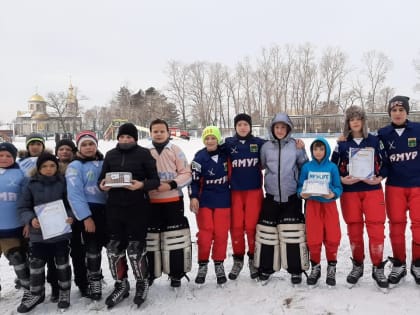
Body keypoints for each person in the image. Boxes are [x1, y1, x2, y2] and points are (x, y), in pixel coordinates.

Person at [98, 122, 159, 308]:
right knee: (114, 249)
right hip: (114, 208)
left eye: (129, 137)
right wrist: (102, 185)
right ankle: (121, 284)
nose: (125, 140)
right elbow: (102, 178)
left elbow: (155, 180)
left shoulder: (143, 154)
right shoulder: (110, 154)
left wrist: (141, 185)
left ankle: (142, 282)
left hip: (137, 207)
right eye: (122, 137)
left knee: (135, 249)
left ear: (135, 138)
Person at [331, 106, 388, 288]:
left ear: (363, 121)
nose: (355, 122)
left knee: (376, 229)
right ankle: (358, 265)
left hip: (372, 190)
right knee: (354, 230)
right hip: (350, 192)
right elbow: (331, 167)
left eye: (358, 118)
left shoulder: (374, 140)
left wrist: (380, 177)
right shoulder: (342, 143)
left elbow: (386, 162)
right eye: (351, 119)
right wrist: (341, 180)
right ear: (347, 123)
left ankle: (378, 266)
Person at [254, 113, 309, 284]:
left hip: (292, 197)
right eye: (277, 127)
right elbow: (262, 166)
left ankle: (295, 269)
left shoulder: (296, 146)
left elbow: (304, 166)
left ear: (288, 129)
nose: (280, 130)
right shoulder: (266, 147)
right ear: (272, 129)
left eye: (283, 127)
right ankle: (267, 267)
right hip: (271, 197)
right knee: (268, 234)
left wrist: (303, 189)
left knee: (292, 234)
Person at [18, 153, 74, 312]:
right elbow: (23, 207)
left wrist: (70, 216)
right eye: (44, 166)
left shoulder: (62, 182)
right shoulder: (30, 183)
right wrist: (31, 219)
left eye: (52, 166)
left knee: (62, 263)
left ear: (57, 167)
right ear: (38, 168)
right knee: (36, 263)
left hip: (60, 232)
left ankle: (64, 291)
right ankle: (36, 293)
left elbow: (70, 203)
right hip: (38, 233)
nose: (48, 169)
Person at [377, 95, 420, 286]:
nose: (397, 113)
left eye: (401, 110)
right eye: (394, 110)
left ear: (407, 112)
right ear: (389, 113)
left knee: (419, 226)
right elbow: (378, 156)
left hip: (417, 186)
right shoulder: (383, 133)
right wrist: (346, 138)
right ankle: (399, 263)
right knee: (396, 225)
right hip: (394, 187)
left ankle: (417, 264)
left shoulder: (418, 129)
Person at [145, 119, 192, 288]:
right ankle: (151, 272)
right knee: (152, 240)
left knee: (174, 239)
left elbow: (187, 173)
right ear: (150, 133)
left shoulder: (175, 149)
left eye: (161, 131)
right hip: (151, 203)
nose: (158, 134)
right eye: (155, 131)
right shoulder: (145, 151)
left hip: (173, 200)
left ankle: (176, 273)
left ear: (168, 133)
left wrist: (171, 184)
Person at [66, 131, 107, 300]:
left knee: (111, 248)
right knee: (92, 249)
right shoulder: (75, 166)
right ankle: (94, 280)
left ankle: (120, 280)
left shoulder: (104, 162)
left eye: (91, 144)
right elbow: (74, 194)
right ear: (79, 147)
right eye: (84, 145)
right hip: (89, 212)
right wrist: (85, 217)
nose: (88, 147)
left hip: (108, 211)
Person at [224, 114, 265, 280]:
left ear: (250, 126)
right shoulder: (227, 144)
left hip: (254, 191)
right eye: (239, 124)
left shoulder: (259, 143)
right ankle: (238, 258)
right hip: (234, 191)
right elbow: (209, 147)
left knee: (252, 226)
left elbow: (278, 146)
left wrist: (296, 143)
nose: (242, 127)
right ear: (235, 127)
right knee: (236, 227)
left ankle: (253, 258)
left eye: (245, 124)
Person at [297, 138, 342, 287]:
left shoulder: (332, 167)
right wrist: (302, 194)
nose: (318, 152)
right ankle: (315, 267)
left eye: (321, 149)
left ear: (326, 151)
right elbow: (300, 187)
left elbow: (338, 187)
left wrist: (332, 194)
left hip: (329, 206)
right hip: (313, 206)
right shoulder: (307, 167)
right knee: (314, 238)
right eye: (315, 149)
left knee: (333, 237)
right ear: (312, 151)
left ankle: (331, 267)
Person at [190, 126, 231, 286]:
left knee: (221, 234)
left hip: (223, 200)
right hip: (205, 200)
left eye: (213, 137)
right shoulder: (199, 157)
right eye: (207, 138)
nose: (210, 141)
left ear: (218, 139)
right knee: (206, 234)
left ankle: (219, 263)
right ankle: (202, 264)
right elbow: (193, 180)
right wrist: (193, 197)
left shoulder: (225, 153)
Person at [0, 143, 30, 311]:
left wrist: (26, 222)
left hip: (11, 227)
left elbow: (27, 200)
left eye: (8, 156)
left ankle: (29, 289)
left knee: (17, 258)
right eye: (0, 155)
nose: (4, 159)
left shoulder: (21, 175)